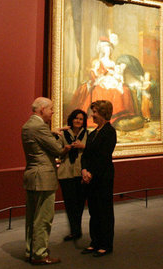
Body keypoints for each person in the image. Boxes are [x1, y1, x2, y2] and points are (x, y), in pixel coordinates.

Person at [21, 97, 62, 265]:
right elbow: (57, 150)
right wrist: (61, 141)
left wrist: (50, 134)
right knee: (43, 217)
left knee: (32, 217)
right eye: (51, 108)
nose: (52, 112)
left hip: (32, 175)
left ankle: (30, 250)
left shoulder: (28, 125)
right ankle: (39, 253)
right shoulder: (40, 127)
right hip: (43, 176)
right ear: (42, 109)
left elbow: (38, 142)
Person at [69, 33, 136, 127]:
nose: (107, 51)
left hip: (112, 80)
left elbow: (117, 73)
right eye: (105, 49)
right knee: (102, 91)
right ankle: (105, 117)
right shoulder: (99, 62)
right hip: (102, 80)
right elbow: (94, 74)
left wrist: (116, 75)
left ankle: (120, 115)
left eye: (109, 49)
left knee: (124, 90)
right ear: (102, 50)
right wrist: (101, 74)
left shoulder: (113, 62)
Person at [80, 100, 117, 257]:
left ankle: (105, 243)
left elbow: (104, 156)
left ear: (103, 113)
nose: (92, 115)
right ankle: (95, 241)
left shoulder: (109, 132)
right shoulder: (93, 133)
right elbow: (86, 154)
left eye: (95, 112)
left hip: (103, 176)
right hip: (91, 176)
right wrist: (83, 170)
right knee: (94, 210)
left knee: (104, 210)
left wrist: (91, 172)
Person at [56, 109, 88, 242]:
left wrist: (82, 146)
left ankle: (77, 229)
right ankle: (74, 230)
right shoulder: (62, 134)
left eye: (81, 119)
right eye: (76, 118)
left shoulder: (87, 134)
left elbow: (92, 151)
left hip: (80, 171)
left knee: (80, 203)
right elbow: (57, 153)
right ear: (71, 119)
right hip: (66, 172)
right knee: (70, 203)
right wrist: (65, 149)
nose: (78, 121)